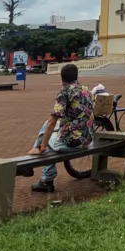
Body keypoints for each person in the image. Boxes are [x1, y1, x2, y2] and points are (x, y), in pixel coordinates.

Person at [26, 63, 94, 193]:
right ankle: (36, 149)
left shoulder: (65, 92)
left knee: (47, 136)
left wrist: (43, 146)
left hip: (73, 141)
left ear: (62, 79)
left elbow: (53, 121)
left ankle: (47, 179)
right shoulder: (86, 90)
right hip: (87, 138)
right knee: (47, 125)